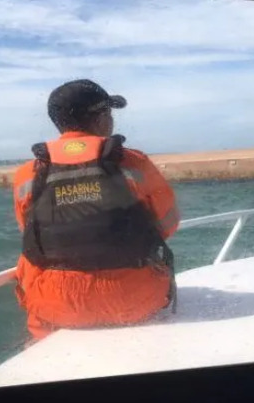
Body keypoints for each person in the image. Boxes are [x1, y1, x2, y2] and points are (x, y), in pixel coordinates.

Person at [12, 79, 180, 340]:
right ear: (101, 118)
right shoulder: (134, 163)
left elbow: (30, 233)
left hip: (58, 307)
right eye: (109, 113)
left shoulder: (27, 174)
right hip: (135, 302)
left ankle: (39, 341)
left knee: (27, 262)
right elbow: (169, 223)